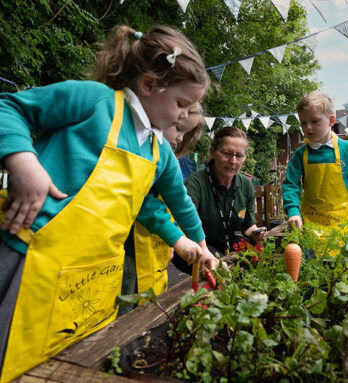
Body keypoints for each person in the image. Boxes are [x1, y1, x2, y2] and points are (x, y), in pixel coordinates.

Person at [0, 25, 219, 382]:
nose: (185, 116)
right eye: (182, 104)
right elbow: (9, 108)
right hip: (30, 261)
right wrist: (23, 162)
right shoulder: (94, 101)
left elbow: (179, 202)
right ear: (149, 85)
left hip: (92, 283)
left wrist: (200, 245)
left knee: (73, 366)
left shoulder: (159, 152)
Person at [120, 103, 206, 314]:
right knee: (125, 306)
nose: (178, 139)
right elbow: (143, 201)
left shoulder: (165, 156)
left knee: (151, 303)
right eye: (178, 129)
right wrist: (177, 238)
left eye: (184, 135)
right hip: (127, 249)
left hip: (153, 250)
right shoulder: (138, 152)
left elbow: (178, 203)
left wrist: (193, 243)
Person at [282, 91, 348, 254]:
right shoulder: (301, 154)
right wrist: (293, 211)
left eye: (314, 121)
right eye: (303, 122)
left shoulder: (347, 149)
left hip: (340, 221)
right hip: (310, 219)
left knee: (337, 265)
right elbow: (290, 185)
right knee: (311, 264)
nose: (307, 127)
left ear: (331, 120)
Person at [174, 126, 266, 272]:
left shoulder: (245, 185)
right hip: (196, 245)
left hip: (226, 244)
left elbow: (248, 227)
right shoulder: (196, 183)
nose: (233, 161)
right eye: (227, 153)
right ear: (212, 151)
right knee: (222, 262)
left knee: (254, 253)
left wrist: (257, 233)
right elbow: (182, 226)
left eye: (239, 155)